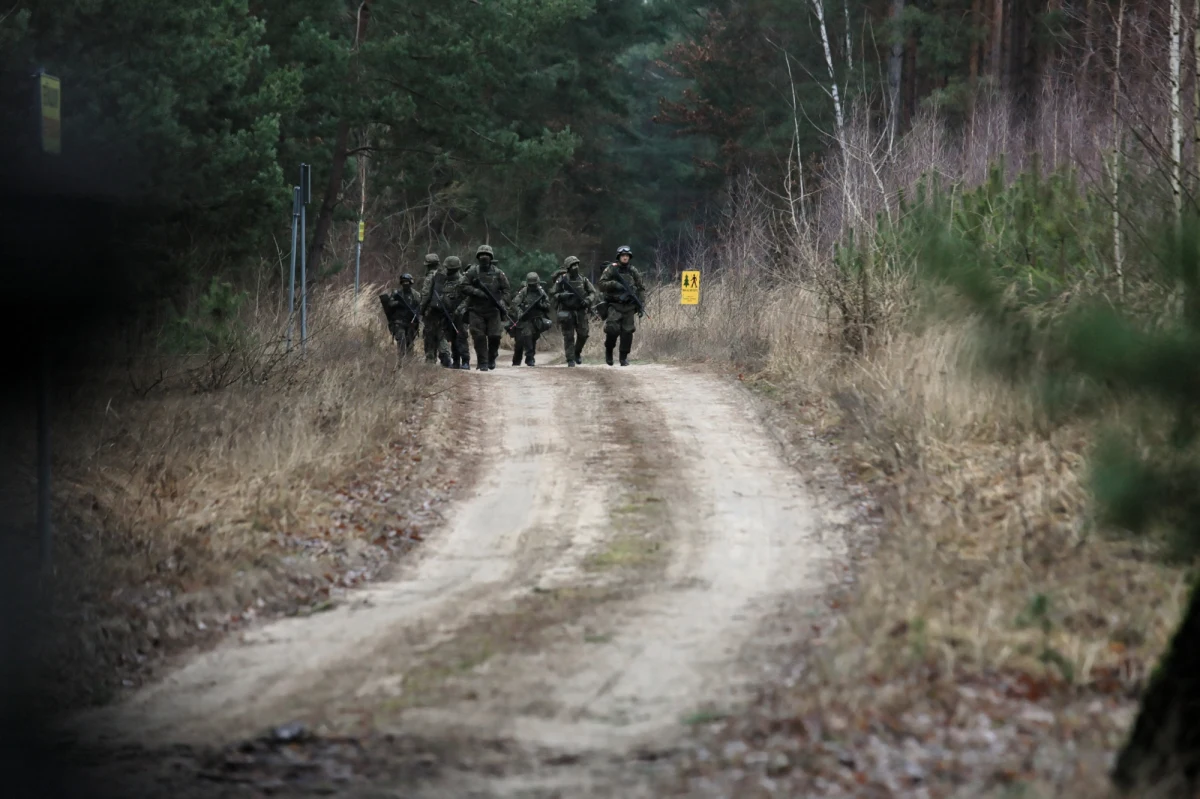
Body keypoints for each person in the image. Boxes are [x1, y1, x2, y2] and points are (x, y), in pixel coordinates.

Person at [461, 244, 512, 371]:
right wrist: (477, 292)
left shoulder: (499, 273)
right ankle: (482, 362)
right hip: (476, 310)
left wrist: (502, 302)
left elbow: (507, 290)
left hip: (493, 310)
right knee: (479, 337)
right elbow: (463, 286)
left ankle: (492, 356)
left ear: (491, 257)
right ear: (478, 257)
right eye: (482, 255)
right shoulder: (472, 272)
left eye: (487, 255)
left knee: (495, 336)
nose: (484, 257)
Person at [597, 245, 646, 366]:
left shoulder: (633, 271)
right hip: (614, 305)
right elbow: (601, 285)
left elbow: (641, 288)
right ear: (619, 257)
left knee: (627, 333)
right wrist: (613, 284)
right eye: (623, 256)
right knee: (612, 330)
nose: (625, 258)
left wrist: (641, 305)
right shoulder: (611, 269)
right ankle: (609, 351)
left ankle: (623, 358)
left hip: (629, 307)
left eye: (627, 256)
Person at [551, 256, 598, 367]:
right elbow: (553, 293)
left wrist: (588, 300)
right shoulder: (562, 280)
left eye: (577, 264)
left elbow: (592, 292)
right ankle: (570, 359)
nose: (575, 267)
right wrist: (561, 295)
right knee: (568, 336)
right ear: (568, 267)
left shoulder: (583, 280)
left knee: (584, 334)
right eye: (573, 265)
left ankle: (577, 352)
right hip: (567, 312)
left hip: (581, 311)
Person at [419, 253, 455, 368]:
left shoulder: (429, 278)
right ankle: (445, 355)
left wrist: (421, 310)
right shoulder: (444, 276)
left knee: (429, 334)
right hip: (443, 310)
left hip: (431, 311)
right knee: (441, 334)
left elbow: (425, 295)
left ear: (427, 265)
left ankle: (430, 358)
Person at [509, 272, 551, 367]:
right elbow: (515, 303)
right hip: (524, 319)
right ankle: (522, 359)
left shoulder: (541, 292)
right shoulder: (524, 291)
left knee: (533, 339)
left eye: (534, 284)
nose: (533, 287)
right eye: (531, 285)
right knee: (521, 340)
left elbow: (548, 306)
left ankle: (530, 358)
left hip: (536, 319)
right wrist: (520, 313)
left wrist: (540, 305)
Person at [378, 273, 421, 360]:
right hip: (399, 322)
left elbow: (420, 307)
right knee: (401, 340)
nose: (406, 284)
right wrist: (398, 303)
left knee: (410, 343)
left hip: (411, 322)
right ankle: (401, 360)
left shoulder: (416, 295)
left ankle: (409, 362)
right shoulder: (397, 293)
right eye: (404, 282)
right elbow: (390, 303)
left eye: (407, 282)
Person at [440, 256, 471, 370]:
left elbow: (468, 298)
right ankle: (456, 361)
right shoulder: (444, 281)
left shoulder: (463, 281)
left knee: (461, 336)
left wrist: (460, 309)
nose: (448, 271)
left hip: (460, 314)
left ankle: (465, 361)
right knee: (452, 337)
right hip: (448, 313)